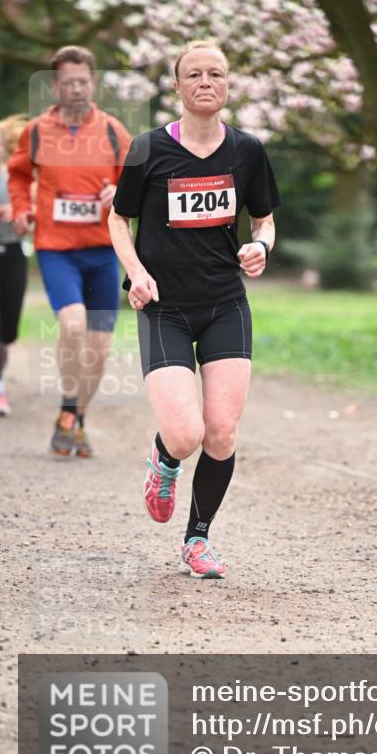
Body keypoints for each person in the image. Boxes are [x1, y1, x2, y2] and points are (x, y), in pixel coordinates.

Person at [109, 40, 280, 580]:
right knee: (186, 435)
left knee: (222, 432)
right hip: (165, 307)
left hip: (226, 303)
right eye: (195, 75)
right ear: (178, 86)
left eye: (217, 74)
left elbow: (265, 220)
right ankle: (164, 461)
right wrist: (136, 273)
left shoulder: (247, 150)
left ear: (228, 86)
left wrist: (261, 247)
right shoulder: (147, 149)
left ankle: (198, 540)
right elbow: (118, 220)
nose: (206, 82)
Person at [8, 45, 132, 454]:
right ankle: (68, 410)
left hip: (102, 251)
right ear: (55, 86)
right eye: (68, 82)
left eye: (83, 81)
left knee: (100, 347)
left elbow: (138, 183)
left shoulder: (114, 131)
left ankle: (75, 417)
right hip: (56, 249)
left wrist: (120, 192)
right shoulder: (38, 132)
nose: (76, 89)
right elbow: (19, 173)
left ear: (92, 83)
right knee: (73, 325)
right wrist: (23, 208)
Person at [0, 115, 29, 416]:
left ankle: (2, 354)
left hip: (13, 253)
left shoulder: (16, 176)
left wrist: (17, 210)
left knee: (7, 328)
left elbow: (32, 212)